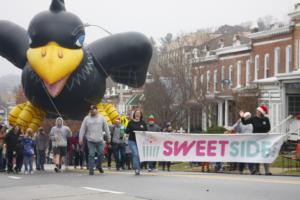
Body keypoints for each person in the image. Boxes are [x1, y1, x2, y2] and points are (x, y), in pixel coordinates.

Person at [79, 105, 111, 175]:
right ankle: (91, 169)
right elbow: (82, 129)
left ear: (96, 110)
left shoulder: (101, 118)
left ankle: (99, 166)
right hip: (90, 140)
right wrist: (80, 138)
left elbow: (106, 128)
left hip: (100, 140)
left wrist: (109, 137)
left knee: (101, 154)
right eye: (90, 110)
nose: (92, 111)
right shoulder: (86, 119)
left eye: (93, 110)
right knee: (91, 154)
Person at [240, 105, 271, 175]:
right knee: (257, 154)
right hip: (256, 140)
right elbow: (244, 122)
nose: (256, 112)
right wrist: (242, 116)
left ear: (261, 112)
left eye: (258, 111)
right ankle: (257, 170)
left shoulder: (266, 119)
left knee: (265, 154)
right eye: (256, 110)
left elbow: (268, 128)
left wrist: (264, 131)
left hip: (264, 139)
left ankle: (267, 171)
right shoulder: (253, 118)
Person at [125, 110, 147, 175]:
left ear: (141, 115)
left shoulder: (143, 123)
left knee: (139, 155)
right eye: (136, 113)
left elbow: (146, 132)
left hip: (140, 142)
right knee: (135, 154)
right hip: (132, 141)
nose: (137, 115)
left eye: (139, 113)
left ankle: (138, 166)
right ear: (134, 115)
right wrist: (131, 129)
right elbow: (126, 131)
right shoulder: (131, 122)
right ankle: (137, 169)